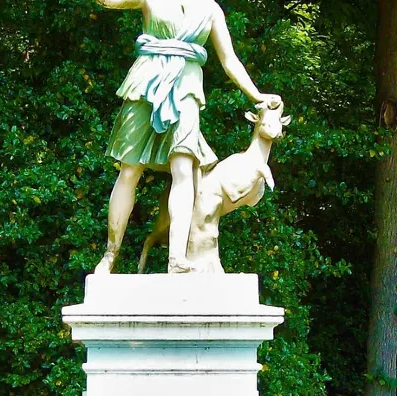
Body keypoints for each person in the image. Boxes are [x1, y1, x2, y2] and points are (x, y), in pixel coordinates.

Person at [93, 0, 281, 273]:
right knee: (130, 169)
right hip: (146, 81)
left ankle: (177, 258)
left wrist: (257, 95)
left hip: (187, 87)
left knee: (183, 169)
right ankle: (110, 255)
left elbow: (230, 60)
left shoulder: (210, 9)